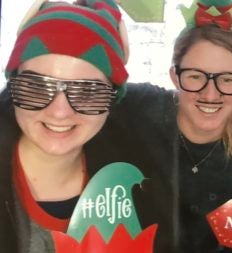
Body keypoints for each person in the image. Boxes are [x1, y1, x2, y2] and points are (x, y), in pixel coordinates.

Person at [94, 0, 232, 251]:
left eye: (226, 79)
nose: (211, 94)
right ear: (174, 76)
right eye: (195, 76)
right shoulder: (141, 106)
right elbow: (82, 90)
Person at [0, 0, 176, 252]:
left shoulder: (140, 186)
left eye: (87, 91)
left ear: (112, 100)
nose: (60, 112)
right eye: (36, 86)